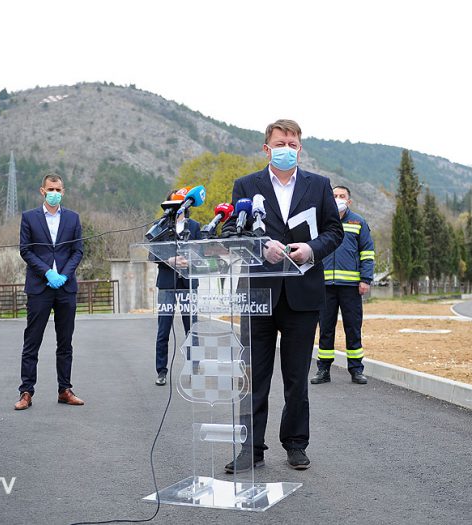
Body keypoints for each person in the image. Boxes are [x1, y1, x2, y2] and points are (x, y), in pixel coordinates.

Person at [224, 119, 343, 472]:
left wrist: (311, 249)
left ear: (300, 148)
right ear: (266, 148)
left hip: (302, 296)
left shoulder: (319, 186)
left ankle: (295, 444)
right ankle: (251, 449)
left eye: (293, 144)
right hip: (258, 294)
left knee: (296, 379)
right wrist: (261, 247)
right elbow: (233, 229)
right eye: (280, 143)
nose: (287, 149)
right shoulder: (246, 186)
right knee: (254, 378)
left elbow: (334, 232)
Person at [14, 173, 85, 410]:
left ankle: (65, 390)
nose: (55, 193)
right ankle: (26, 392)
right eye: (51, 189)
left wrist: (64, 274)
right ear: (42, 191)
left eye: (59, 189)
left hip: (65, 288)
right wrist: (47, 272)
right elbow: (25, 250)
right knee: (32, 341)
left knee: (65, 342)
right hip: (39, 287)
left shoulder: (73, 219)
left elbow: (78, 251)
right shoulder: (29, 218)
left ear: (63, 191)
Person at [311, 185, 375, 385]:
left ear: (349, 201)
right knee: (325, 329)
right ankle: (323, 370)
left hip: (351, 287)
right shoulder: (320, 222)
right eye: (334, 196)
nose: (338, 198)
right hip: (325, 286)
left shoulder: (358, 222)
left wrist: (365, 279)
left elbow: (367, 253)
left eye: (342, 196)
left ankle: (356, 370)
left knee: (353, 328)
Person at [153, 190, 201, 386]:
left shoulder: (195, 226)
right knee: (163, 329)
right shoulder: (160, 226)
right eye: (175, 201)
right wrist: (169, 260)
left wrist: (190, 259)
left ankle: (194, 368)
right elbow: (152, 254)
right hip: (166, 285)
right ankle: (161, 371)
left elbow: (203, 251)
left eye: (182, 202)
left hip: (188, 284)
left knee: (192, 329)